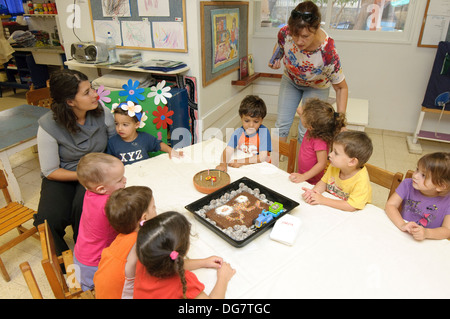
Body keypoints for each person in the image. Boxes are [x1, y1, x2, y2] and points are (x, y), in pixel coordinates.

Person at [34, 69, 116, 256]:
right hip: (61, 175)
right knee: (47, 221)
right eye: (87, 92)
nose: (95, 94)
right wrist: (83, 176)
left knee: (85, 211)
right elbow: (50, 170)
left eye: (92, 88)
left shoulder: (102, 113)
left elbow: (114, 146)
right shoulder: (48, 126)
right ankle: (65, 266)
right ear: (70, 101)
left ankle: (87, 256)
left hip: (95, 172)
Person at [268, 0, 348, 144]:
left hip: (316, 87)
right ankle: (272, 165)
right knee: (281, 125)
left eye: (305, 36)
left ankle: (302, 166)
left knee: (306, 131)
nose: (298, 41)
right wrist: (276, 57)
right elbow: (281, 45)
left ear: (316, 29)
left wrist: (340, 122)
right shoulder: (286, 32)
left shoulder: (328, 52)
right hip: (291, 81)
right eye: (295, 35)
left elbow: (341, 88)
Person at [134, 211, 236, 299]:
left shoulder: (146, 259)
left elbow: (169, 263)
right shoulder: (184, 282)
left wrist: (203, 262)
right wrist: (223, 278)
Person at [73, 153, 126, 291]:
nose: (125, 181)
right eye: (120, 180)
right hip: (94, 262)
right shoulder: (109, 204)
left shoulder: (90, 193)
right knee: (99, 287)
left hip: (82, 253)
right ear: (101, 189)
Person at [93, 186, 157, 299]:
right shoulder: (142, 245)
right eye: (153, 207)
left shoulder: (123, 236)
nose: (156, 210)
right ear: (144, 218)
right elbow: (168, 268)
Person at [385, 152, 450, 241]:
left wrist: (426, 233)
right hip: (402, 235)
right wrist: (402, 225)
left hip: (428, 242)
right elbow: (390, 205)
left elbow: (447, 230)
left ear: (441, 186)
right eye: (417, 169)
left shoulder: (448, 201)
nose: (415, 175)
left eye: (423, 175)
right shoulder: (407, 184)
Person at [302, 131, 373, 212]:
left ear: (352, 162)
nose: (330, 155)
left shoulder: (361, 180)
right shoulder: (334, 166)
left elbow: (351, 206)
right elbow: (323, 183)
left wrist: (323, 200)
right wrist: (313, 193)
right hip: (332, 209)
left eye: (336, 153)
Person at [289, 98, 346, 185]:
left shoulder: (320, 141)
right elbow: (300, 110)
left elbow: (322, 164)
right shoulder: (313, 128)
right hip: (303, 175)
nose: (302, 115)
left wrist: (304, 176)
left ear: (310, 126)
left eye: (304, 115)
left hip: (312, 182)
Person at [107, 101, 182, 165]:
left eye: (125, 125)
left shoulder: (145, 138)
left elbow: (158, 144)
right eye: (116, 124)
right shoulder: (112, 142)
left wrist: (171, 151)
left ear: (136, 124)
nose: (119, 128)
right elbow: (109, 162)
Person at [216, 95, 271, 172]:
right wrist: (223, 163)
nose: (251, 125)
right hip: (245, 169)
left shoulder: (263, 132)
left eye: (256, 121)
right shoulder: (238, 132)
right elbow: (228, 150)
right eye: (247, 121)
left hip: (261, 169)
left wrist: (241, 162)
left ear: (261, 120)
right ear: (241, 118)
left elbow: (262, 157)